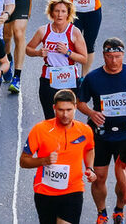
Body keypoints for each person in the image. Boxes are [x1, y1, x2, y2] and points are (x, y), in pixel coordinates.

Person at [77, 38, 126, 224]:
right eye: (109, 57)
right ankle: (101, 212)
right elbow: (80, 103)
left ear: (123, 55)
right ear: (103, 56)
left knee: (124, 177)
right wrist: (92, 113)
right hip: (101, 134)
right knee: (99, 177)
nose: (114, 61)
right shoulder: (92, 78)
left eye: (117, 56)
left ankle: (119, 208)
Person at [20, 88, 97, 224]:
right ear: (54, 108)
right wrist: (44, 160)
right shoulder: (40, 130)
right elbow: (23, 161)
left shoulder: (84, 130)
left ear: (75, 107)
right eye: (61, 110)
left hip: (73, 190)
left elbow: (89, 149)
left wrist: (90, 168)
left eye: (69, 110)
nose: (65, 115)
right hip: (45, 192)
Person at [25, 0, 88, 118]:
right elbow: (28, 49)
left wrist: (68, 52)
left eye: (63, 11)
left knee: (66, 117)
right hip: (48, 77)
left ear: (68, 13)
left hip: (69, 78)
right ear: (51, 12)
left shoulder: (74, 32)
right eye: (57, 11)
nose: (59, 15)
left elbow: (84, 58)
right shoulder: (43, 30)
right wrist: (38, 53)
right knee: (49, 117)